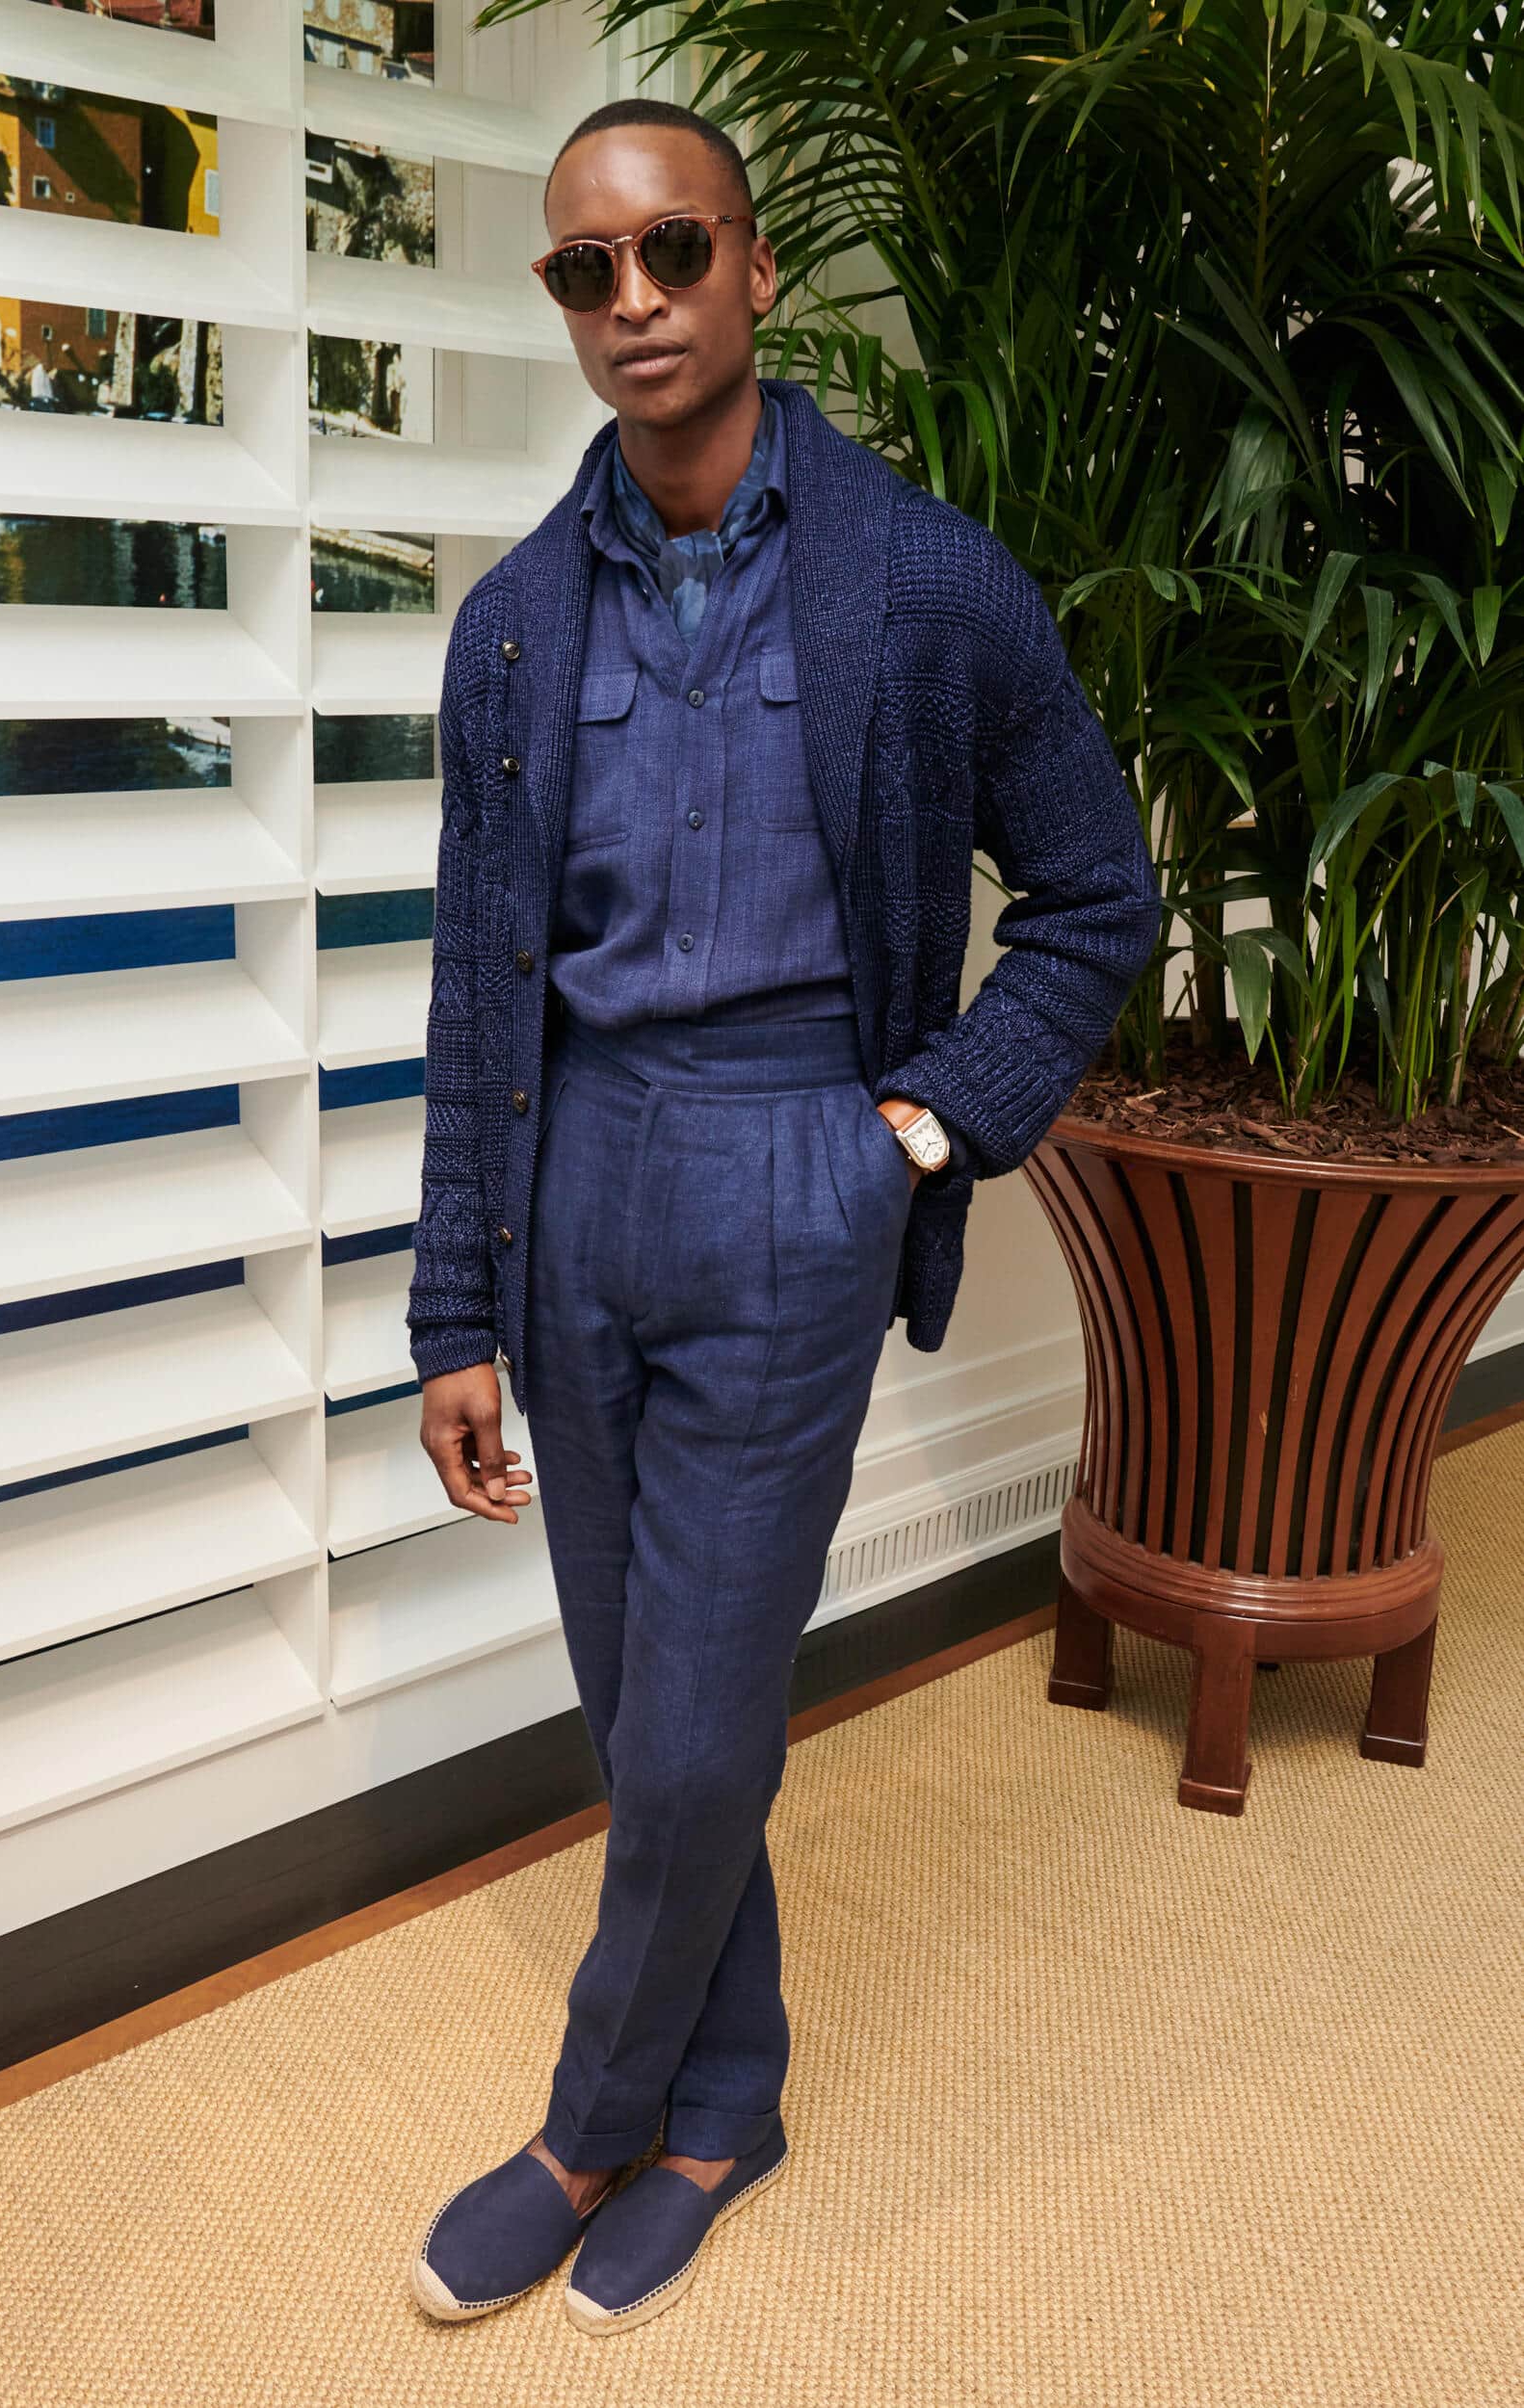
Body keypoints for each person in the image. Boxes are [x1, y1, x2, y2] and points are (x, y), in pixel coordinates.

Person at [404, 96, 1161, 2338]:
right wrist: (454, 1310)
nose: (632, 300)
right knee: (644, 1705)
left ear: (749, 268)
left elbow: (1096, 898)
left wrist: (920, 1131)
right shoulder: (513, 628)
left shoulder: (924, 581)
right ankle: (729, 2099)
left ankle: (590, 2121)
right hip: (571, 1187)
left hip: (794, 1172)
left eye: (672, 251)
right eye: (586, 269)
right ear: (561, 300)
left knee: (702, 1717)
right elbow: (476, 993)